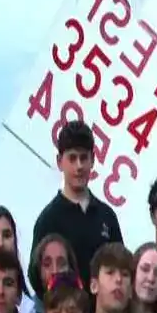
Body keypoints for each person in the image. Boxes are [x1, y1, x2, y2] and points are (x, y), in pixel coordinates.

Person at [31, 119, 124, 279]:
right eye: (72, 158)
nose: (79, 166)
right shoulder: (47, 220)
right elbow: (35, 276)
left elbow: (121, 266)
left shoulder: (107, 217)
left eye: (84, 157)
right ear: (60, 162)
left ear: (93, 160)